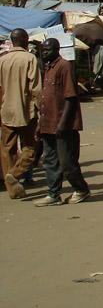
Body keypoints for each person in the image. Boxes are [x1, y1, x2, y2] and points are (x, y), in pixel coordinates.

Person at [34, 38, 90, 206]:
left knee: (67, 162)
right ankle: (53, 194)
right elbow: (46, 98)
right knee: (50, 161)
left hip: (63, 125)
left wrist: (63, 123)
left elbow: (70, 97)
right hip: (48, 123)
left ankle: (81, 189)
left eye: (47, 50)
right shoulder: (48, 69)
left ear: (56, 49)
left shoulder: (64, 66)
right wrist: (40, 124)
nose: (44, 53)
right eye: (42, 50)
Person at [0, 29, 43, 199]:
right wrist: (40, 110)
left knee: (7, 150)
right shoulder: (29, 59)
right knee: (30, 148)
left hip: (6, 111)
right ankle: (15, 174)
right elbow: (36, 89)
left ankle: (13, 188)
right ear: (25, 40)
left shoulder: (2, 60)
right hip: (26, 112)